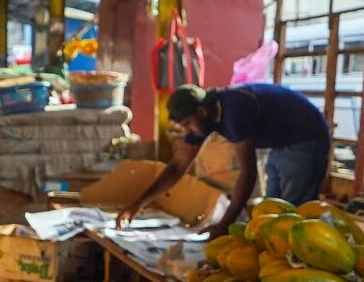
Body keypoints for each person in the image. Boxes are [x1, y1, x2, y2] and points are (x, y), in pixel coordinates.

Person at [116, 83, 329, 235]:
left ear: (201, 111)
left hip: (305, 139)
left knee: (293, 218)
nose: (188, 130)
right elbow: (177, 166)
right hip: (280, 144)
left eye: (189, 123)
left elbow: (248, 172)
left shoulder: (234, 110)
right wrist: (137, 204)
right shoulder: (203, 119)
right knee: (273, 214)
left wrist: (225, 224)